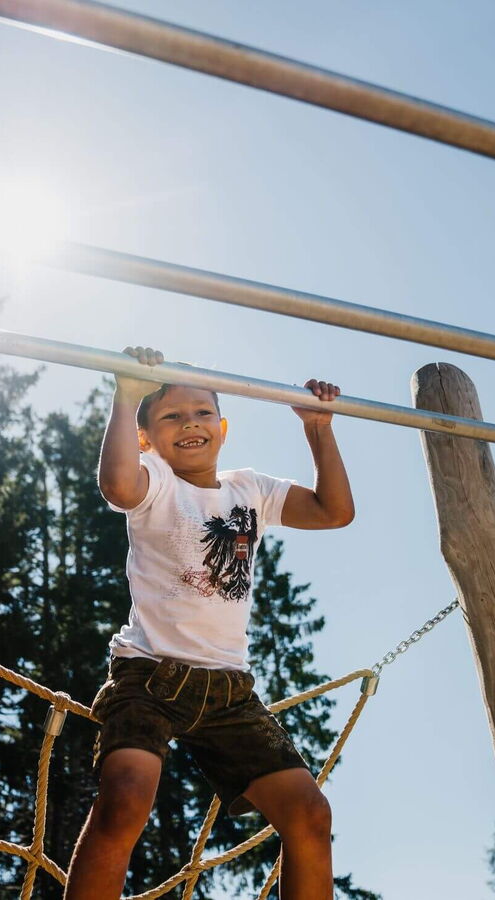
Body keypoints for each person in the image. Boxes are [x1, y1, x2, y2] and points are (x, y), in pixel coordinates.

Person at [63, 346, 354, 900]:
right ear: (146, 439)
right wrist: (126, 396)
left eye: (202, 413)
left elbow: (333, 512)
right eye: (171, 417)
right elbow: (118, 487)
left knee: (309, 814)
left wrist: (318, 428)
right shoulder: (154, 480)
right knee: (124, 802)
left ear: (222, 428)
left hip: (228, 692)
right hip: (150, 678)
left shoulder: (251, 489)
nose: (190, 424)